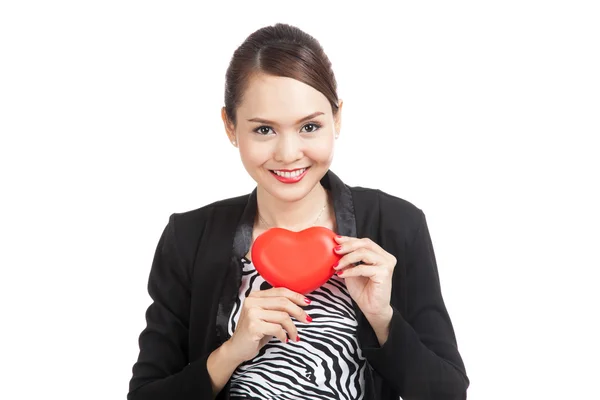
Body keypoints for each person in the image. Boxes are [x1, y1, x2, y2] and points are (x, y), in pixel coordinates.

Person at [127, 23, 469, 400]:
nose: (289, 153)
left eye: (309, 126)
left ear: (337, 119)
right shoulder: (189, 238)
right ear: (230, 127)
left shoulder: (397, 225)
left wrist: (382, 318)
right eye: (263, 130)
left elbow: (448, 393)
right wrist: (232, 352)